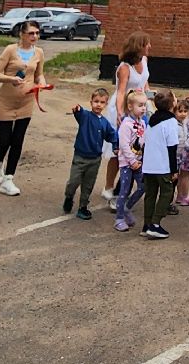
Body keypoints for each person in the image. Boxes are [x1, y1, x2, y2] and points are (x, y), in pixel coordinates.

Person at [0, 18, 47, 196]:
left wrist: (42, 84)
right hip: (6, 102)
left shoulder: (39, 53)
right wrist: (11, 79)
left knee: (18, 140)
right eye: (31, 33)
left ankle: (8, 179)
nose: (34, 36)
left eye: (37, 33)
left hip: (26, 103)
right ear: (21, 34)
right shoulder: (10, 50)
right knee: (4, 140)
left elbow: (39, 74)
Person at [103, 32, 150, 212]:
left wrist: (151, 102)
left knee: (136, 148)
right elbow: (121, 91)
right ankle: (108, 187)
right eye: (147, 44)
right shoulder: (124, 67)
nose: (149, 47)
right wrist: (120, 112)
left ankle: (122, 187)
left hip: (140, 106)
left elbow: (145, 84)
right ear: (139, 46)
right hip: (124, 107)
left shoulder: (144, 61)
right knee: (118, 149)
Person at [64, 87, 118, 220]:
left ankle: (83, 207)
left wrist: (116, 146)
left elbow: (112, 135)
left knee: (88, 184)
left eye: (102, 102)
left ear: (105, 104)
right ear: (91, 102)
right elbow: (79, 112)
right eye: (96, 101)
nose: (98, 104)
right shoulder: (85, 116)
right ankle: (69, 196)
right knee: (73, 181)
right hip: (80, 157)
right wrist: (77, 109)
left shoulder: (105, 123)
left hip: (95, 159)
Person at [139, 88, 180, 239]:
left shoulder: (152, 121)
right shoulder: (171, 122)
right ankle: (155, 224)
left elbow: (145, 144)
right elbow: (172, 148)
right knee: (167, 192)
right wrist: (174, 170)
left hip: (149, 165)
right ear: (171, 104)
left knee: (150, 195)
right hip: (162, 166)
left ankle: (146, 224)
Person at [114, 90, 148, 231]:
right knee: (124, 190)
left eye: (145, 105)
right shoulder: (126, 125)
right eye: (140, 105)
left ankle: (127, 208)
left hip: (139, 163)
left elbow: (144, 143)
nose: (144, 108)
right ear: (130, 107)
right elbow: (123, 145)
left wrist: (142, 160)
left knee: (143, 187)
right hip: (127, 164)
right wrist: (132, 161)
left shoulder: (143, 124)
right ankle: (119, 218)